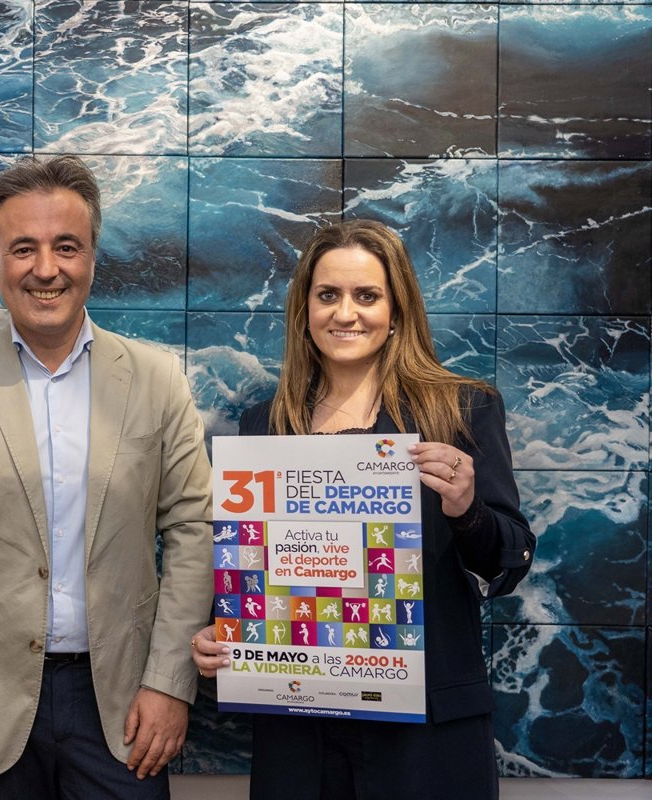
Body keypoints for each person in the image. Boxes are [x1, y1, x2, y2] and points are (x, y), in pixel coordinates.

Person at [0, 155, 213, 798]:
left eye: (66, 246)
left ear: (91, 257)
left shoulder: (157, 380)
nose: (45, 268)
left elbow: (193, 532)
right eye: (22, 248)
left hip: (124, 705)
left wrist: (170, 683)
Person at [191, 219, 535, 799]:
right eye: (328, 295)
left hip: (425, 732)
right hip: (298, 728)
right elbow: (256, 569)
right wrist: (223, 635)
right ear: (304, 311)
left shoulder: (463, 408)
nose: (345, 313)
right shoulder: (263, 423)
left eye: (367, 295)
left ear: (397, 310)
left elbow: (510, 560)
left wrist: (467, 509)